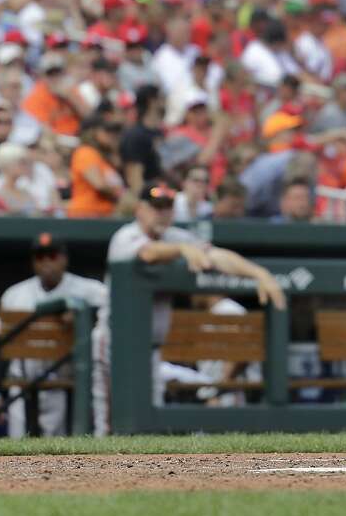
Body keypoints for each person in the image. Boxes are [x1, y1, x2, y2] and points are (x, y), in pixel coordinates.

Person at [92, 183, 286, 436]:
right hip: (115, 343)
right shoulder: (125, 236)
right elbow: (148, 254)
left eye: (167, 207)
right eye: (156, 207)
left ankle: (136, 476)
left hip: (150, 348)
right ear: (140, 209)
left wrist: (258, 273)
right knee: (108, 426)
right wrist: (182, 249)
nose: (162, 213)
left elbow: (216, 257)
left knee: (146, 425)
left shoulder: (175, 236)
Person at [0, 233, 106, 438]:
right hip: (22, 380)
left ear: (64, 259)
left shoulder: (89, 289)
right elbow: (0, 346)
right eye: (40, 256)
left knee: (59, 449)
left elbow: (115, 307)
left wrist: (84, 315)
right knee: (18, 447)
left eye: (53, 255)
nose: (47, 261)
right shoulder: (14, 294)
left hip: (65, 379)